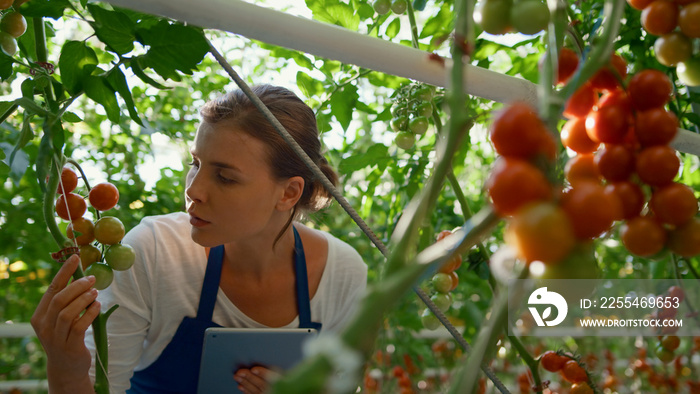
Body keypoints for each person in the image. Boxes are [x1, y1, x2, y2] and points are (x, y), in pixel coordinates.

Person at [30, 85, 368, 394]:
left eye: (225, 177)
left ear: (289, 192)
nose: (193, 190)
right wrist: (66, 370)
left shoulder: (342, 272)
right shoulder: (154, 250)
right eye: (195, 163)